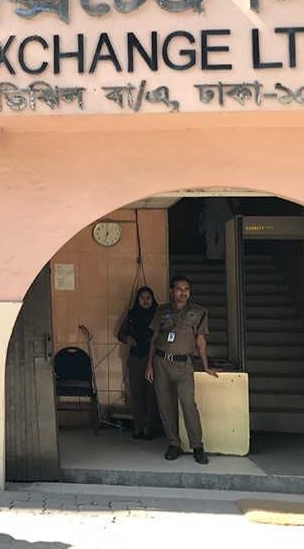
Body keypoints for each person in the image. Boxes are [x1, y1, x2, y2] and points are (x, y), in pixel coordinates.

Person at [145, 274, 219, 465]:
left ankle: (197, 446)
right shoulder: (161, 312)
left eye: (186, 289)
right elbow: (153, 340)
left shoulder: (199, 313)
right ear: (172, 291)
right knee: (165, 405)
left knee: (188, 405)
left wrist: (205, 366)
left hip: (183, 365)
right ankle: (173, 444)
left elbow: (201, 341)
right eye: (179, 289)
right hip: (161, 363)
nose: (183, 292)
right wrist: (149, 366)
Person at [116, 286, 159, 440]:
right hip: (135, 357)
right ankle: (138, 426)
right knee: (136, 393)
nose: (146, 301)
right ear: (137, 300)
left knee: (151, 394)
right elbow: (120, 333)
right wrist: (127, 338)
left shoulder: (158, 314)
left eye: (148, 298)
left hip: (153, 358)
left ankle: (148, 427)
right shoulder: (132, 315)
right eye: (142, 298)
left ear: (153, 299)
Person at [198, 197, 233, 262]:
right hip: (218, 216)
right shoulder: (224, 197)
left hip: (212, 215)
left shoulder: (208, 197)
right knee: (220, 236)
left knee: (211, 235)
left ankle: (213, 255)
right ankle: (215, 255)